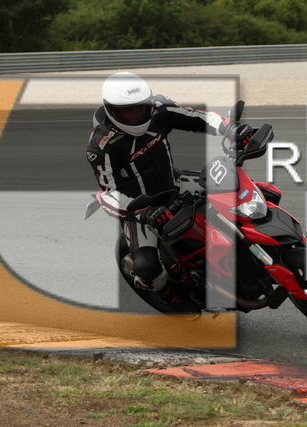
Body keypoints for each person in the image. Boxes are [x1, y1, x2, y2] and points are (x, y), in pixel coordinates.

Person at [86, 72, 251, 313]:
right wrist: (142, 212)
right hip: (141, 208)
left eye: (141, 108)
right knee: (146, 267)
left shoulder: (158, 110)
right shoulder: (102, 145)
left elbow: (196, 117)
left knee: (238, 188)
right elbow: (108, 193)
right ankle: (170, 297)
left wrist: (228, 127)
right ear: (111, 110)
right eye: (128, 111)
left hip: (176, 182)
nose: (136, 115)